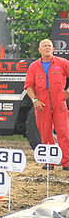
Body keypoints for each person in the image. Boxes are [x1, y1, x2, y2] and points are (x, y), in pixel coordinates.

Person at [24, 38, 69, 170]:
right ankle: (50, 161)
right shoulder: (34, 66)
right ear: (40, 50)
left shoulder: (62, 63)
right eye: (44, 46)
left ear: (53, 49)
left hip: (59, 103)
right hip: (42, 105)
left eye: (49, 46)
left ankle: (66, 162)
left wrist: (67, 92)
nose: (47, 48)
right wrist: (34, 100)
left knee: (63, 132)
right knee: (45, 133)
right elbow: (28, 86)